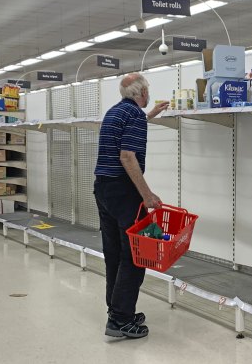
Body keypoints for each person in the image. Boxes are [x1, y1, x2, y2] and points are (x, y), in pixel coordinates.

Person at [94, 72, 168, 338]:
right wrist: (147, 195)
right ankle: (121, 320)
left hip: (103, 188)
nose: (148, 94)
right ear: (141, 94)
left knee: (114, 253)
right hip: (124, 192)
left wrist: (151, 115)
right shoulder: (134, 116)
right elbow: (127, 156)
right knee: (136, 255)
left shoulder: (116, 112)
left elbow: (123, 138)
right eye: (147, 90)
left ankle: (116, 310)